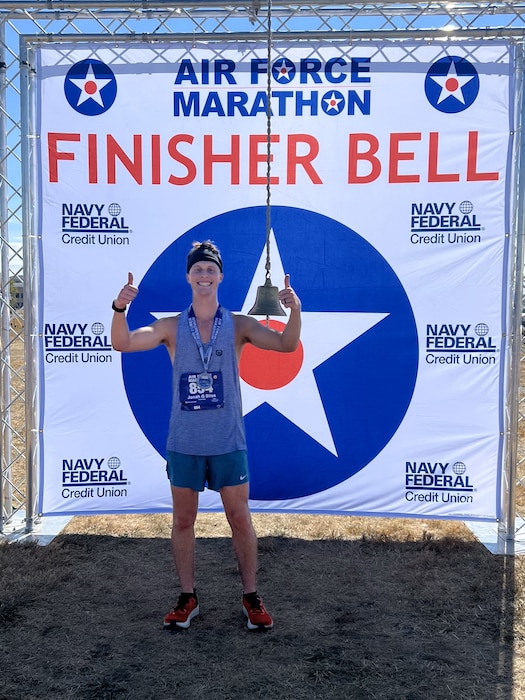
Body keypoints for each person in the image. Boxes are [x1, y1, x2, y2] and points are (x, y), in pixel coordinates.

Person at [111, 240, 301, 630]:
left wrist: (295, 312)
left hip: (228, 440)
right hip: (185, 443)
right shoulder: (169, 327)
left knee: (239, 518)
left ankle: (250, 596)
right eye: (198, 269)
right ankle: (187, 597)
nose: (204, 275)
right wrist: (119, 309)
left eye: (210, 270)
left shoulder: (240, 324)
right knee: (183, 520)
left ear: (220, 277)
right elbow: (122, 342)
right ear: (188, 276)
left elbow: (286, 344)